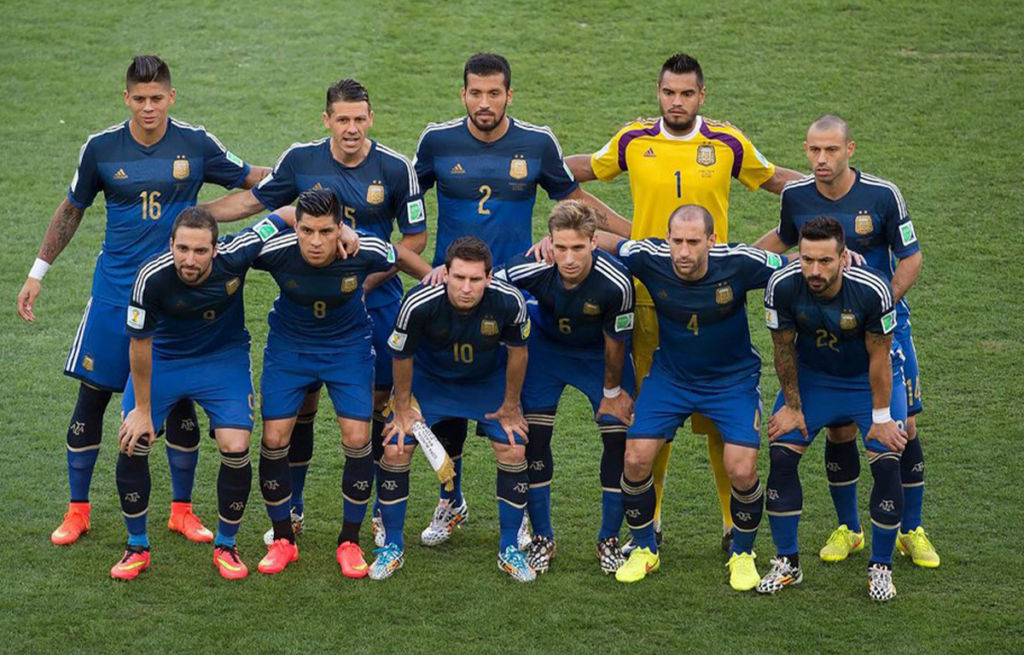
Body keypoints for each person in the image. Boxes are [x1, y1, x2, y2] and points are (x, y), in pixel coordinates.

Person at [16, 55, 267, 547]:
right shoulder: (102, 149)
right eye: (140, 98)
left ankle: (181, 511)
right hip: (114, 295)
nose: (148, 107)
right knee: (93, 398)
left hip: (176, 298)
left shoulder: (196, 143)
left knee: (178, 407)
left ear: (171, 97)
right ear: (126, 98)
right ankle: (77, 510)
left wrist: (306, 173)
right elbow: (72, 209)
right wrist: (37, 273)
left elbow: (251, 179)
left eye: (157, 98)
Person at [564, 52, 802, 552]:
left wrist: (832, 194)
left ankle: (730, 523)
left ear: (702, 96)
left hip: (717, 297)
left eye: (686, 93)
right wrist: (625, 231)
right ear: (658, 92)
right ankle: (649, 524)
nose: (677, 101)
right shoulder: (633, 139)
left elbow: (778, 182)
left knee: (723, 418)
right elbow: (572, 173)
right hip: (649, 298)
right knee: (655, 415)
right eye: (669, 92)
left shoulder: (726, 141)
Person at [412, 52, 631, 548]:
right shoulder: (436, 141)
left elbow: (574, 201)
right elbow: (408, 208)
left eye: (494, 93)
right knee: (445, 404)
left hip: (515, 297)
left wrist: (636, 234)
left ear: (510, 94)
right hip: (452, 291)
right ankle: (451, 497)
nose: (484, 102)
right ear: (462, 93)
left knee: (509, 406)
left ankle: (523, 508)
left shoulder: (536, 142)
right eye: (475, 92)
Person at [203, 78, 422, 544]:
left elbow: (413, 242)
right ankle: (293, 508)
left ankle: (382, 510)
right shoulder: (301, 159)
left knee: (380, 406)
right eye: (342, 119)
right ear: (327, 120)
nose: (351, 128)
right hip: (309, 305)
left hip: (376, 302)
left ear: (371, 118)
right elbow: (254, 202)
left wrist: (362, 284)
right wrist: (195, 216)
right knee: (299, 406)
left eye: (359, 119)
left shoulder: (397, 167)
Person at [753, 114, 937, 567]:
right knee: (838, 426)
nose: (821, 159)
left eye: (831, 150)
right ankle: (849, 528)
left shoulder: (882, 195)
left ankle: (911, 528)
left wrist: (880, 307)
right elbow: (783, 238)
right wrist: (732, 261)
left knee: (902, 428)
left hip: (882, 331)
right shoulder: (795, 196)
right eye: (814, 150)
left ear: (849, 150)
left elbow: (911, 259)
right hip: (822, 331)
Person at [114, 206, 320, 580]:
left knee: (235, 445)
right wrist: (142, 409)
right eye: (182, 249)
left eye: (200, 251)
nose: (189, 260)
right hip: (165, 358)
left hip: (221, 359)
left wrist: (345, 234)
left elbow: (287, 213)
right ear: (171, 244)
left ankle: (227, 544)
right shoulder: (150, 276)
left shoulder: (238, 251)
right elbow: (139, 345)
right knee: (134, 439)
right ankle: (136, 546)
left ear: (216, 248)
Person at [595, 204, 786, 587]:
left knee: (742, 469)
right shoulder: (649, 256)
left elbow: (794, 265)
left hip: (731, 381)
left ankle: (742, 554)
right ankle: (647, 550)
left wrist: (839, 260)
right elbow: (606, 242)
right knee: (634, 459)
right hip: (672, 378)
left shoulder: (739, 262)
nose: (683, 252)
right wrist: (555, 244)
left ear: (711, 241)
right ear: (667, 239)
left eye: (693, 242)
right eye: (677, 241)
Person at [251, 188, 431, 578]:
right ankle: (284, 539)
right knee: (274, 439)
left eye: (326, 231)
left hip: (347, 348)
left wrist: (438, 280)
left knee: (356, 437)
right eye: (307, 231)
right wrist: (278, 218)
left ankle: (349, 540)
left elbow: (399, 256)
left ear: (340, 229)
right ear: (296, 227)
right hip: (290, 349)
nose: (316, 242)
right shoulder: (275, 251)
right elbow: (235, 249)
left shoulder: (363, 249)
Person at [758, 216, 908, 602]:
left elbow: (880, 359)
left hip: (867, 381)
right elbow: (783, 349)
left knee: (887, 458)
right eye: (807, 259)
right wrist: (792, 406)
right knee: (781, 453)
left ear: (844, 258)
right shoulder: (782, 285)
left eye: (825, 261)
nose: (814, 270)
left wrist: (879, 419)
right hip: (815, 379)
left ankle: (880, 567)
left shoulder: (873, 290)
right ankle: (788, 563)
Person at [379, 237, 533, 582]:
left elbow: (518, 353)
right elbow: (401, 356)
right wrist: (402, 408)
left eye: (475, 280)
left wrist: (510, 406)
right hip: (432, 382)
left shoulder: (509, 301)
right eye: (459, 278)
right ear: (445, 273)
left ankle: (509, 547)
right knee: (395, 446)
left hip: (485, 381)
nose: (466, 288)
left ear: (490, 277)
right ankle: (392, 546)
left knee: (513, 444)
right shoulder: (418, 302)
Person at [496, 200, 636, 574]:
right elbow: (489, 286)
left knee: (618, 440)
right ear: (550, 242)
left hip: (598, 356)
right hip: (547, 352)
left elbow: (616, 343)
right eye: (560, 248)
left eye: (577, 247)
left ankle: (608, 539)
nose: (568, 258)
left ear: (594, 241)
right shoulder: (533, 267)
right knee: (534, 440)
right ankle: (543, 538)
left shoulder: (616, 282)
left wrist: (611, 394)